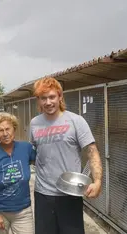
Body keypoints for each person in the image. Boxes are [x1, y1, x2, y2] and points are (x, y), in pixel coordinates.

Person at [30, 77, 103, 234]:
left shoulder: (76, 121)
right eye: (44, 98)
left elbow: (92, 151)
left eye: (52, 97)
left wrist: (97, 181)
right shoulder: (34, 123)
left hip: (70, 194)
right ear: (38, 100)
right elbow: (34, 151)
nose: (48, 102)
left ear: (60, 96)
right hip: (43, 194)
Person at [0, 113, 36, 234]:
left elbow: (42, 162)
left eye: (8, 129)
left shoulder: (25, 148)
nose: (5, 133)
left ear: (14, 129)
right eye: (0, 130)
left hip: (23, 211)